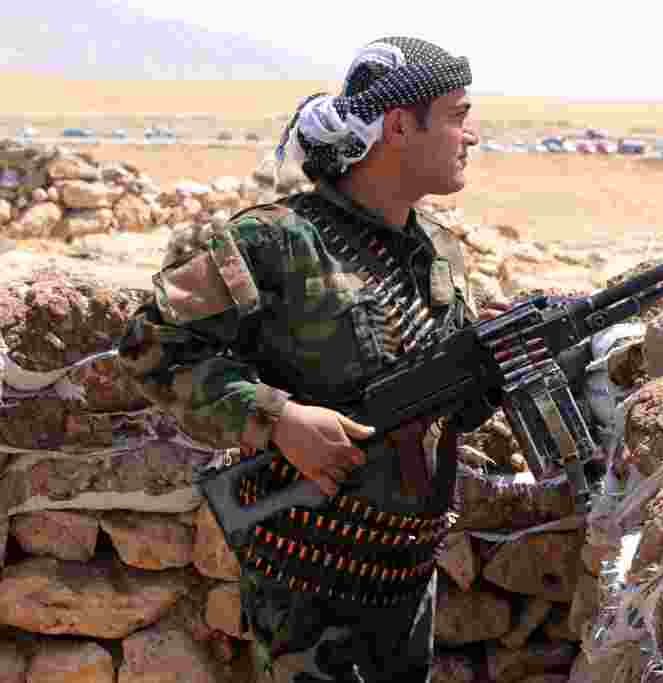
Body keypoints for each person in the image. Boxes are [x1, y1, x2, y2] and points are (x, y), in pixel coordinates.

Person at [116, 36, 488, 682]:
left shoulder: (440, 257)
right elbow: (149, 343)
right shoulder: (282, 241)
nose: (472, 135)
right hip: (310, 597)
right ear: (399, 126)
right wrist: (277, 419)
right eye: (458, 115)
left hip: (406, 589)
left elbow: (454, 407)